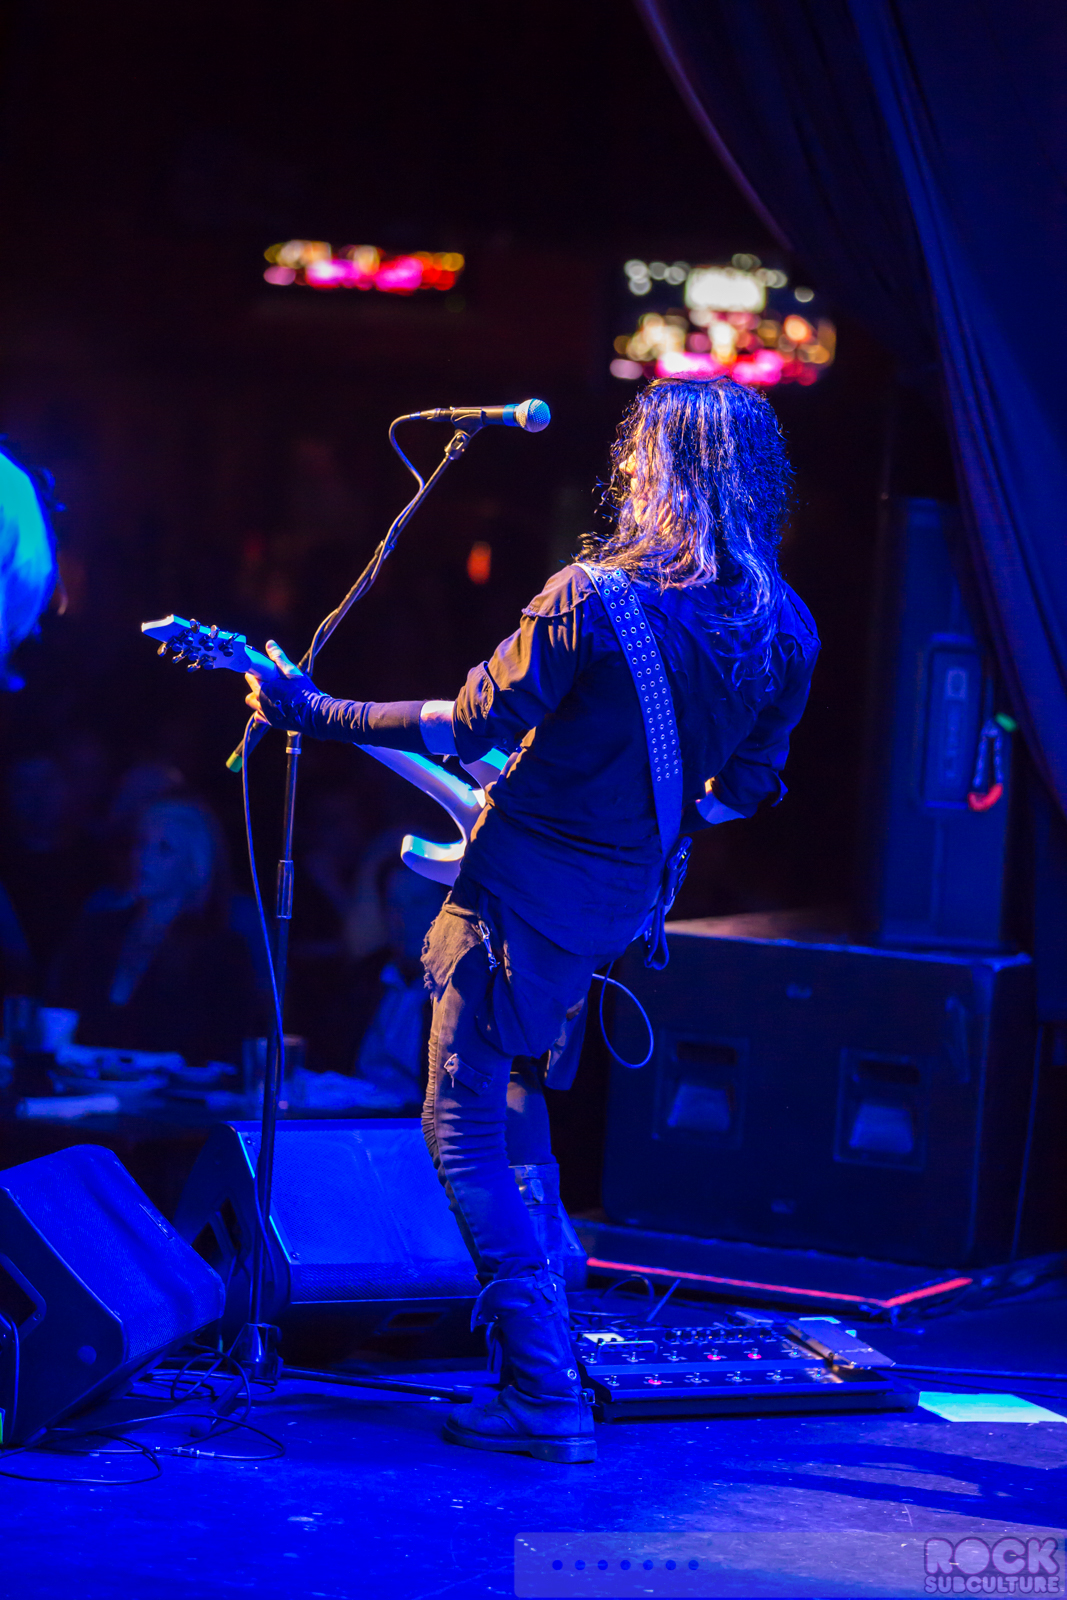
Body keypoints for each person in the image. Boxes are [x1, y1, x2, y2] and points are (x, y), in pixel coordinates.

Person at [244, 376, 820, 1463]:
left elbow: (468, 727)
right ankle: (552, 1341)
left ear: (656, 470)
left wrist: (315, 710)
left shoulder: (589, 597)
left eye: (638, 455)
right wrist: (631, 817)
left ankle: (543, 1388)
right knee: (515, 1101)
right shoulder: (782, 627)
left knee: (458, 1126)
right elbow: (744, 787)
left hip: (514, 900)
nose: (627, 469)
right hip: (612, 908)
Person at [49, 796, 261, 1066]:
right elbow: (58, 1015)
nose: (143, 858)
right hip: (83, 1086)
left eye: (164, 848)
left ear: (193, 866)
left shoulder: (221, 952)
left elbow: (224, 1049)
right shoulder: (95, 931)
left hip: (174, 1091)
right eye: (141, 843)